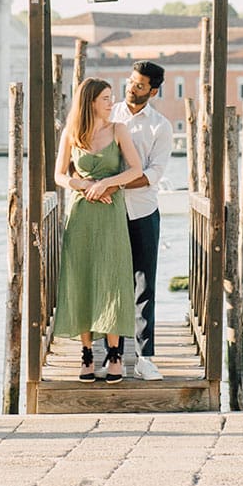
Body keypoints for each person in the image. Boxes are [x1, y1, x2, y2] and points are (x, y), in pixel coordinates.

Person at [52, 77, 144, 383]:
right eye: (106, 98)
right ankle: (88, 354)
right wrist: (84, 184)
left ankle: (115, 355)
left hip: (110, 211)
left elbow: (136, 169)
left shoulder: (119, 129)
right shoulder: (72, 133)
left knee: (112, 278)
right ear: (90, 101)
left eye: (111, 97)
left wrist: (106, 183)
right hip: (81, 213)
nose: (111, 102)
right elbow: (59, 175)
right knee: (82, 278)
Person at [97, 60, 171, 381]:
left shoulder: (161, 126)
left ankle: (144, 357)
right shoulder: (107, 116)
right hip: (107, 212)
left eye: (140, 85)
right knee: (111, 283)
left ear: (153, 91)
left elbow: (153, 175)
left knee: (144, 286)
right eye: (130, 82)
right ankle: (113, 356)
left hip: (142, 213)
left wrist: (115, 182)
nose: (131, 88)